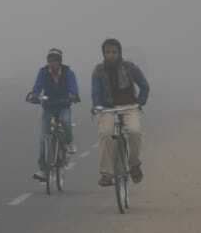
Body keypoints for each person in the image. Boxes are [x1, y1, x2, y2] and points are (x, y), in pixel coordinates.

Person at [91, 38, 150, 186]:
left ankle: (134, 164)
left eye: (114, 52)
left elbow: (144, 86)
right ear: (103, 54)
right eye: (107, 52)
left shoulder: (130, 67)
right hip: (107, 108)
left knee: (134, 131)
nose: (111, 55)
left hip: (129, 106)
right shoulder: (98, 70)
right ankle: (106, 174)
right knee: (105, 134)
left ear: (119, 53)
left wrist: (140, 102)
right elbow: (96, 92)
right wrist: (97, 105)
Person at [26, 48, 80, 181]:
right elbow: (37, 87)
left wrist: (73, 95)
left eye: (55, 60)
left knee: (66, 122)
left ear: (60, 62)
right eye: (50, 60)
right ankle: (44, 170)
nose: (52, 63)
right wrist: (34, 96)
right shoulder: (43, 72)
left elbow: (73, 88)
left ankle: (68, 142)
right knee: (43, 139)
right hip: (48, 107)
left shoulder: (68, 73)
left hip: (63, 106)